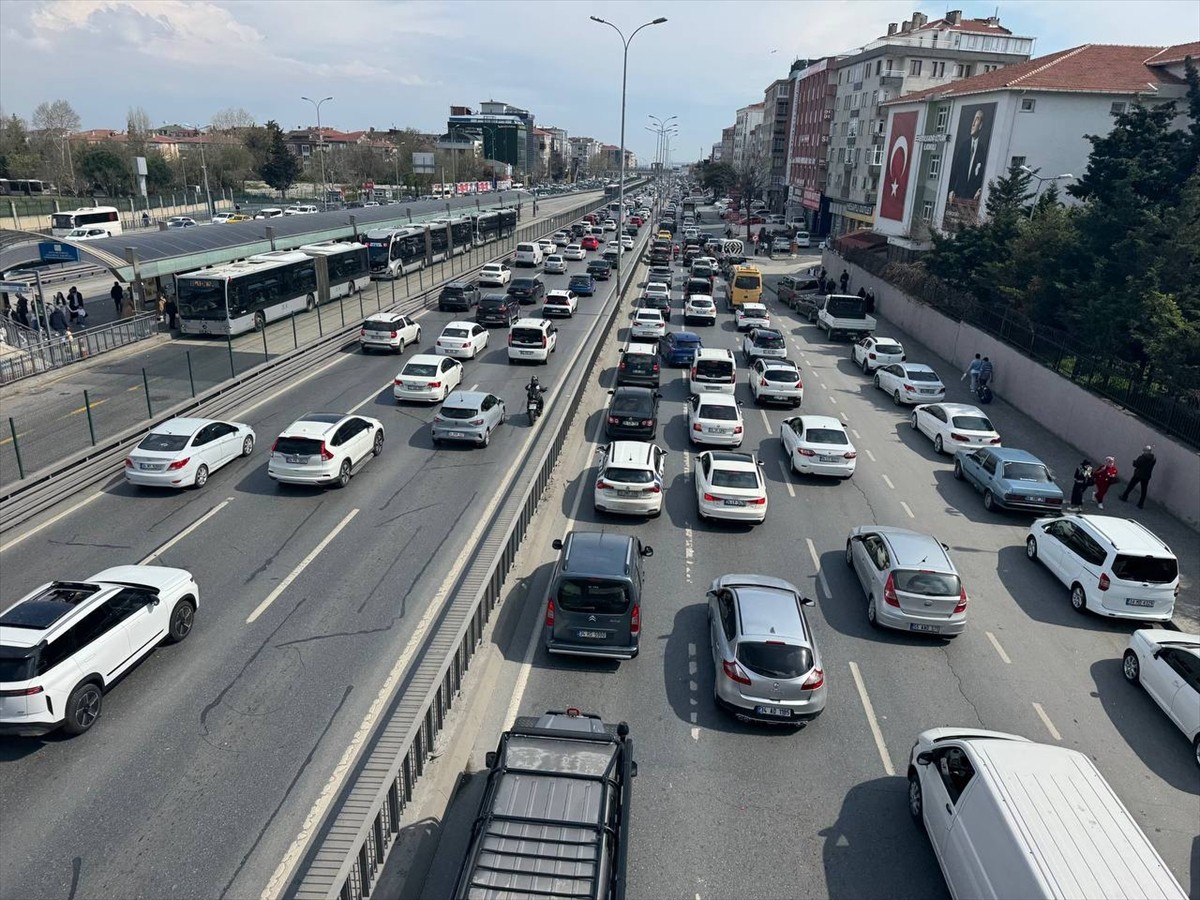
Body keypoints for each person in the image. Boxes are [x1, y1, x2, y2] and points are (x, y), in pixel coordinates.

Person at [1119, 445, 1156, 509]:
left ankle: (1124, 497)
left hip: (1138, 474)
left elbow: (1136, 464)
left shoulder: (1142, 457)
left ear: (1146, 451)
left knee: (1131, 486)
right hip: (1146, 476)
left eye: (1144, 450)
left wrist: (1134, 462)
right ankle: (1140, 504)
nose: (1143, 451)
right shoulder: (1153, 458)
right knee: (1144, 490)